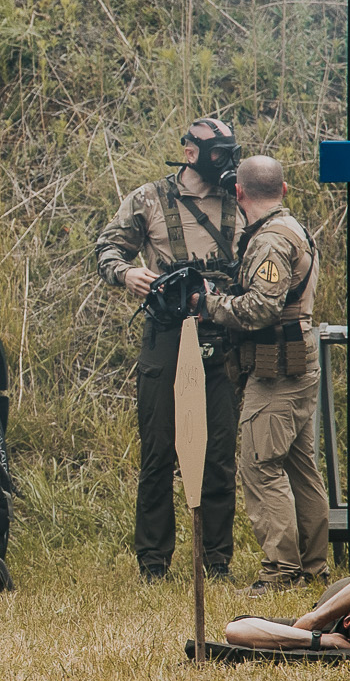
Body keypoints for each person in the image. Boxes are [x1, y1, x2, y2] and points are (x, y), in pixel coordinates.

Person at [95, 117, 242, 582]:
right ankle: (153, 563)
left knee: (219, 453)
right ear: (191, 152)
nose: (226, 162)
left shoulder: (239, 200)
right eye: (217, 153)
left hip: (222, 338)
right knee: (158, 452)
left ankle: (217, 561)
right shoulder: (148, 199)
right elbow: (106, 249)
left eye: (230, 152)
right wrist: (127, 274)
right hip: (165, 336)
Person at [197, 154, 330, 596]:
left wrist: (209, 305)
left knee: (259, 468)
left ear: (238, 193)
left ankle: (280, 571)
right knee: (299, 467)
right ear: (285, 189)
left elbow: (261, 307)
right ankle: (313, 565)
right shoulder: (294, 229)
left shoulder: (270, 241)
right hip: (297, 368)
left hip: (277, 373)